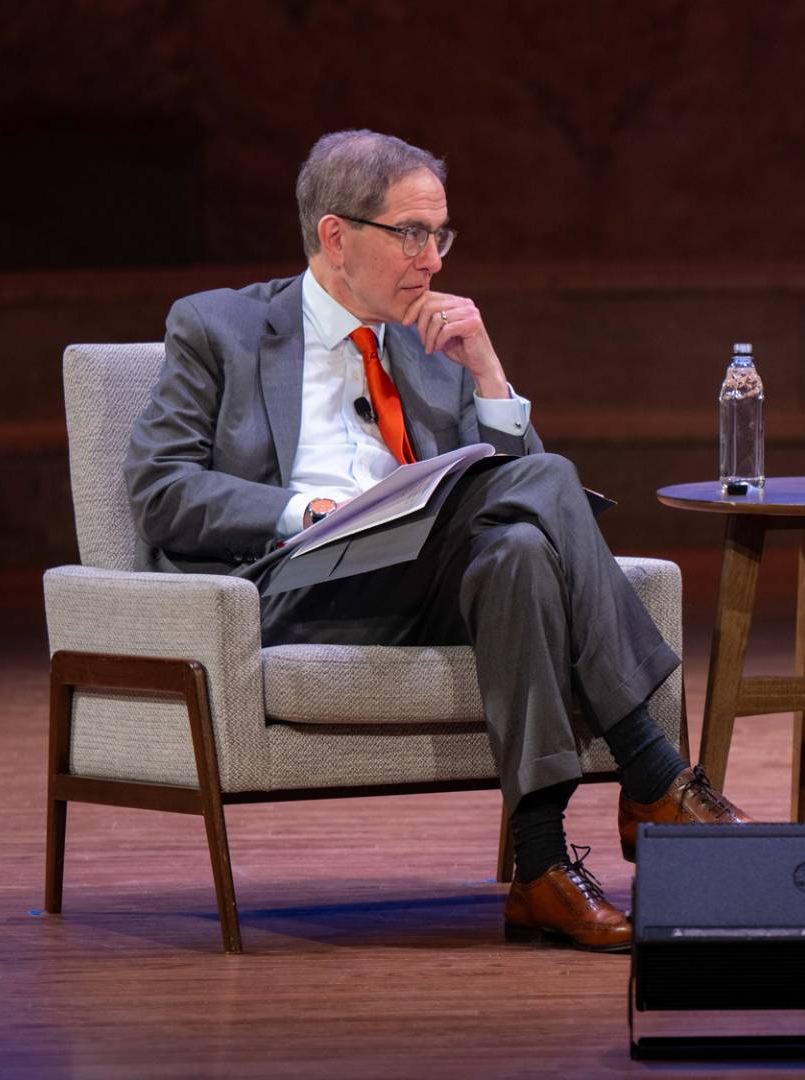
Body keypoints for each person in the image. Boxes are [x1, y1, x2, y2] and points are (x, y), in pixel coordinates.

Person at [124, 130, 749, 952]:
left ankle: (540, 870)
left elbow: (529, 504)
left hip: (428, 586)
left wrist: (488, 375)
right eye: (411, 234)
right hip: (294, 584)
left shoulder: (433, 342)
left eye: (440, 234)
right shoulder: (219, 326)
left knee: (520, 556)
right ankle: (653, 770)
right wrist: (308, 510)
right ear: (336, 235)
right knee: (542, 489)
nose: (433, 260)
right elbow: (160, 490)